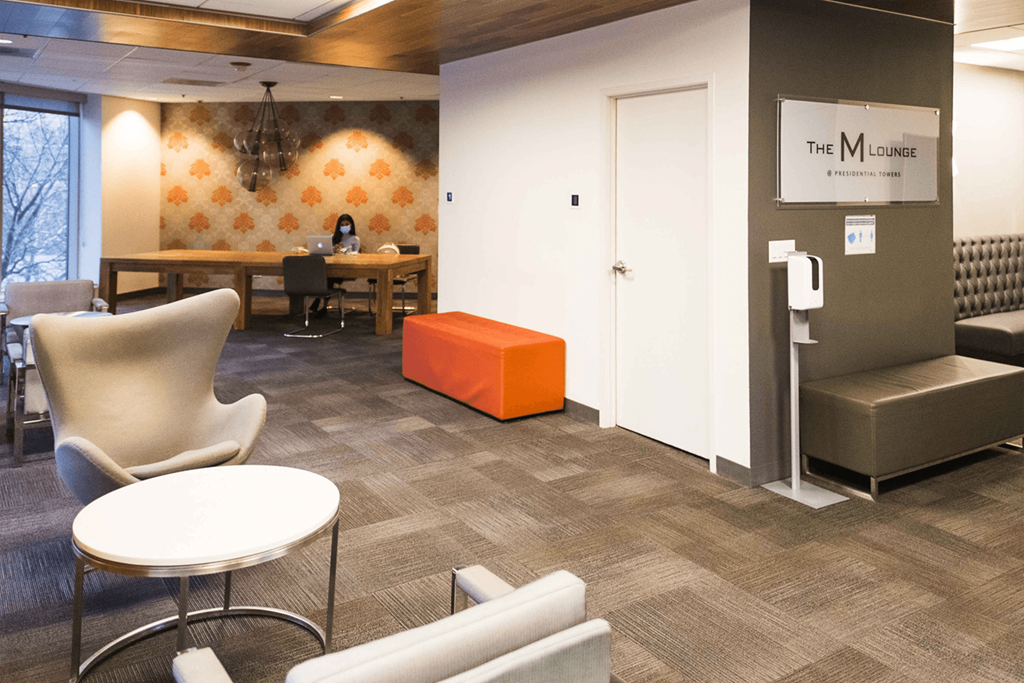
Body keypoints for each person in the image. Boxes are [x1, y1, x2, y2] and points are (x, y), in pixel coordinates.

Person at [311, 214, 360, 316]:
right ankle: (322, 305)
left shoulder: (355, 239)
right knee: (327, 275)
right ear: (338, 226)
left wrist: (345, 252)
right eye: (342, 225)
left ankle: (320, 301)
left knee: (328, 277)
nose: (344, 226)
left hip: (347, 269)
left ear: (351, 225)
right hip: (334, 268)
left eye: (347, 224)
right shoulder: (334, 238)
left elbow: (357, 254)